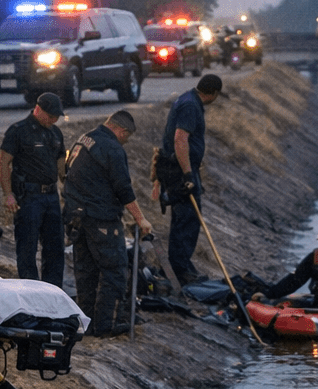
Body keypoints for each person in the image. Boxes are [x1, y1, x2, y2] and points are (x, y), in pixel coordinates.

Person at [64, 110, 152, 337]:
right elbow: (124, 188)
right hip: (101, 218)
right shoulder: (112, 148)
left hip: (76, 217)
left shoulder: (83, 139)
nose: (125, 142)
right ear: (121, 130)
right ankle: (107, 325)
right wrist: (140, 218)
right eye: (126, 137)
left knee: (86, 272)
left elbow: (66, 172)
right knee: (114, 271)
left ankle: (87, 323)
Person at [152, 73, 223, 288]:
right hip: (179, 171)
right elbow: (180, 139)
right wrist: (188, 175)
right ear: (213, 94)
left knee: (184, 219)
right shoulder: (191, 106)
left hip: (178, 169)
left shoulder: (187, 99)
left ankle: (180, 264)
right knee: (187, 219)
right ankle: (180, 270)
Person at [0, 92, 66, 287]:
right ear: (38, 109)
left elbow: (61, 166)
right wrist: (8, 194)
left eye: (57, 117)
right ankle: (31, 291)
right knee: (27, 248)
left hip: (51, 197)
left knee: (55, 248)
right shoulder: (18, 131)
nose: (54, 120)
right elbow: (3, 163)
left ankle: (53, 292)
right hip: (28, 197)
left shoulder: (55, 133)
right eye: (51, 115)